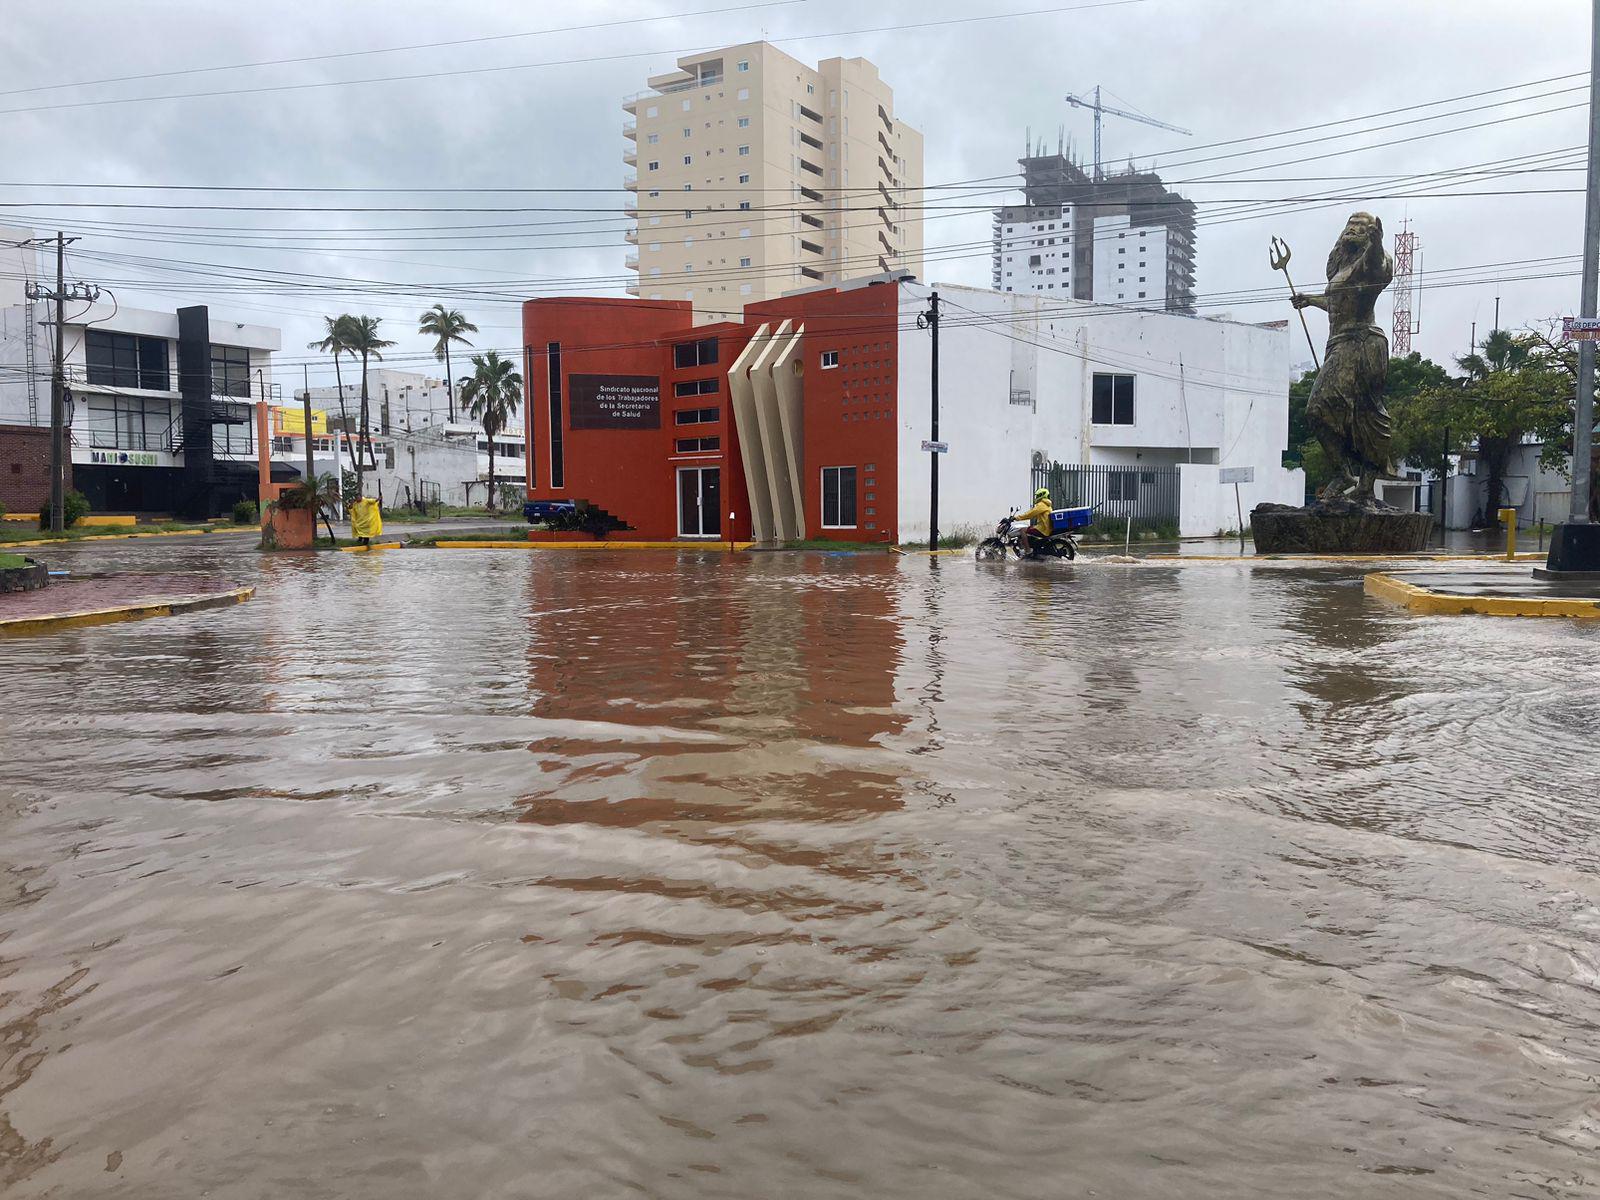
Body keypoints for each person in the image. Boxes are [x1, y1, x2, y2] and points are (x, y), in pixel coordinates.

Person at [1014, 487, 1053, 558]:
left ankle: (1028, 551)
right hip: (1045, 527)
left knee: (1022, 530)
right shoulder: (1046, 504)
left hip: (1042, 528)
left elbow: (1031, 513)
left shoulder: (1042, 504)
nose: (1036, 497)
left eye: (1037, 496)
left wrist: (1017, 518)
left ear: (1041, 495)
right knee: (1028, 529)